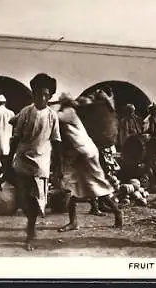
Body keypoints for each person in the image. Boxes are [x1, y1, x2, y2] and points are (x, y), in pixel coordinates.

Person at [3, 73, 64, 251]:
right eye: (38, 94)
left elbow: (56, 140)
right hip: (23, 160)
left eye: (46, 95)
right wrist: (8, 161)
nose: (42, 98)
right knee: (23, 199)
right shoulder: (25, 112)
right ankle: (31, 228)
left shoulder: (53, 116)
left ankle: (30, 232)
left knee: (35, 199)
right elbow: (15, 138)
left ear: (50, 96)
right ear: (33, 94)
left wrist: (59, 165)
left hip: (41, 161)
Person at [56, 93, 123, 232]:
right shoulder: (70, 112)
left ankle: (117, 212)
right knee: (74, 186)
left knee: (96, 186)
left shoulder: (69, 112)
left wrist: (49, 106)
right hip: (81, 154)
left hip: (85, 153)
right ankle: (73, 222)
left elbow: (55, 116)